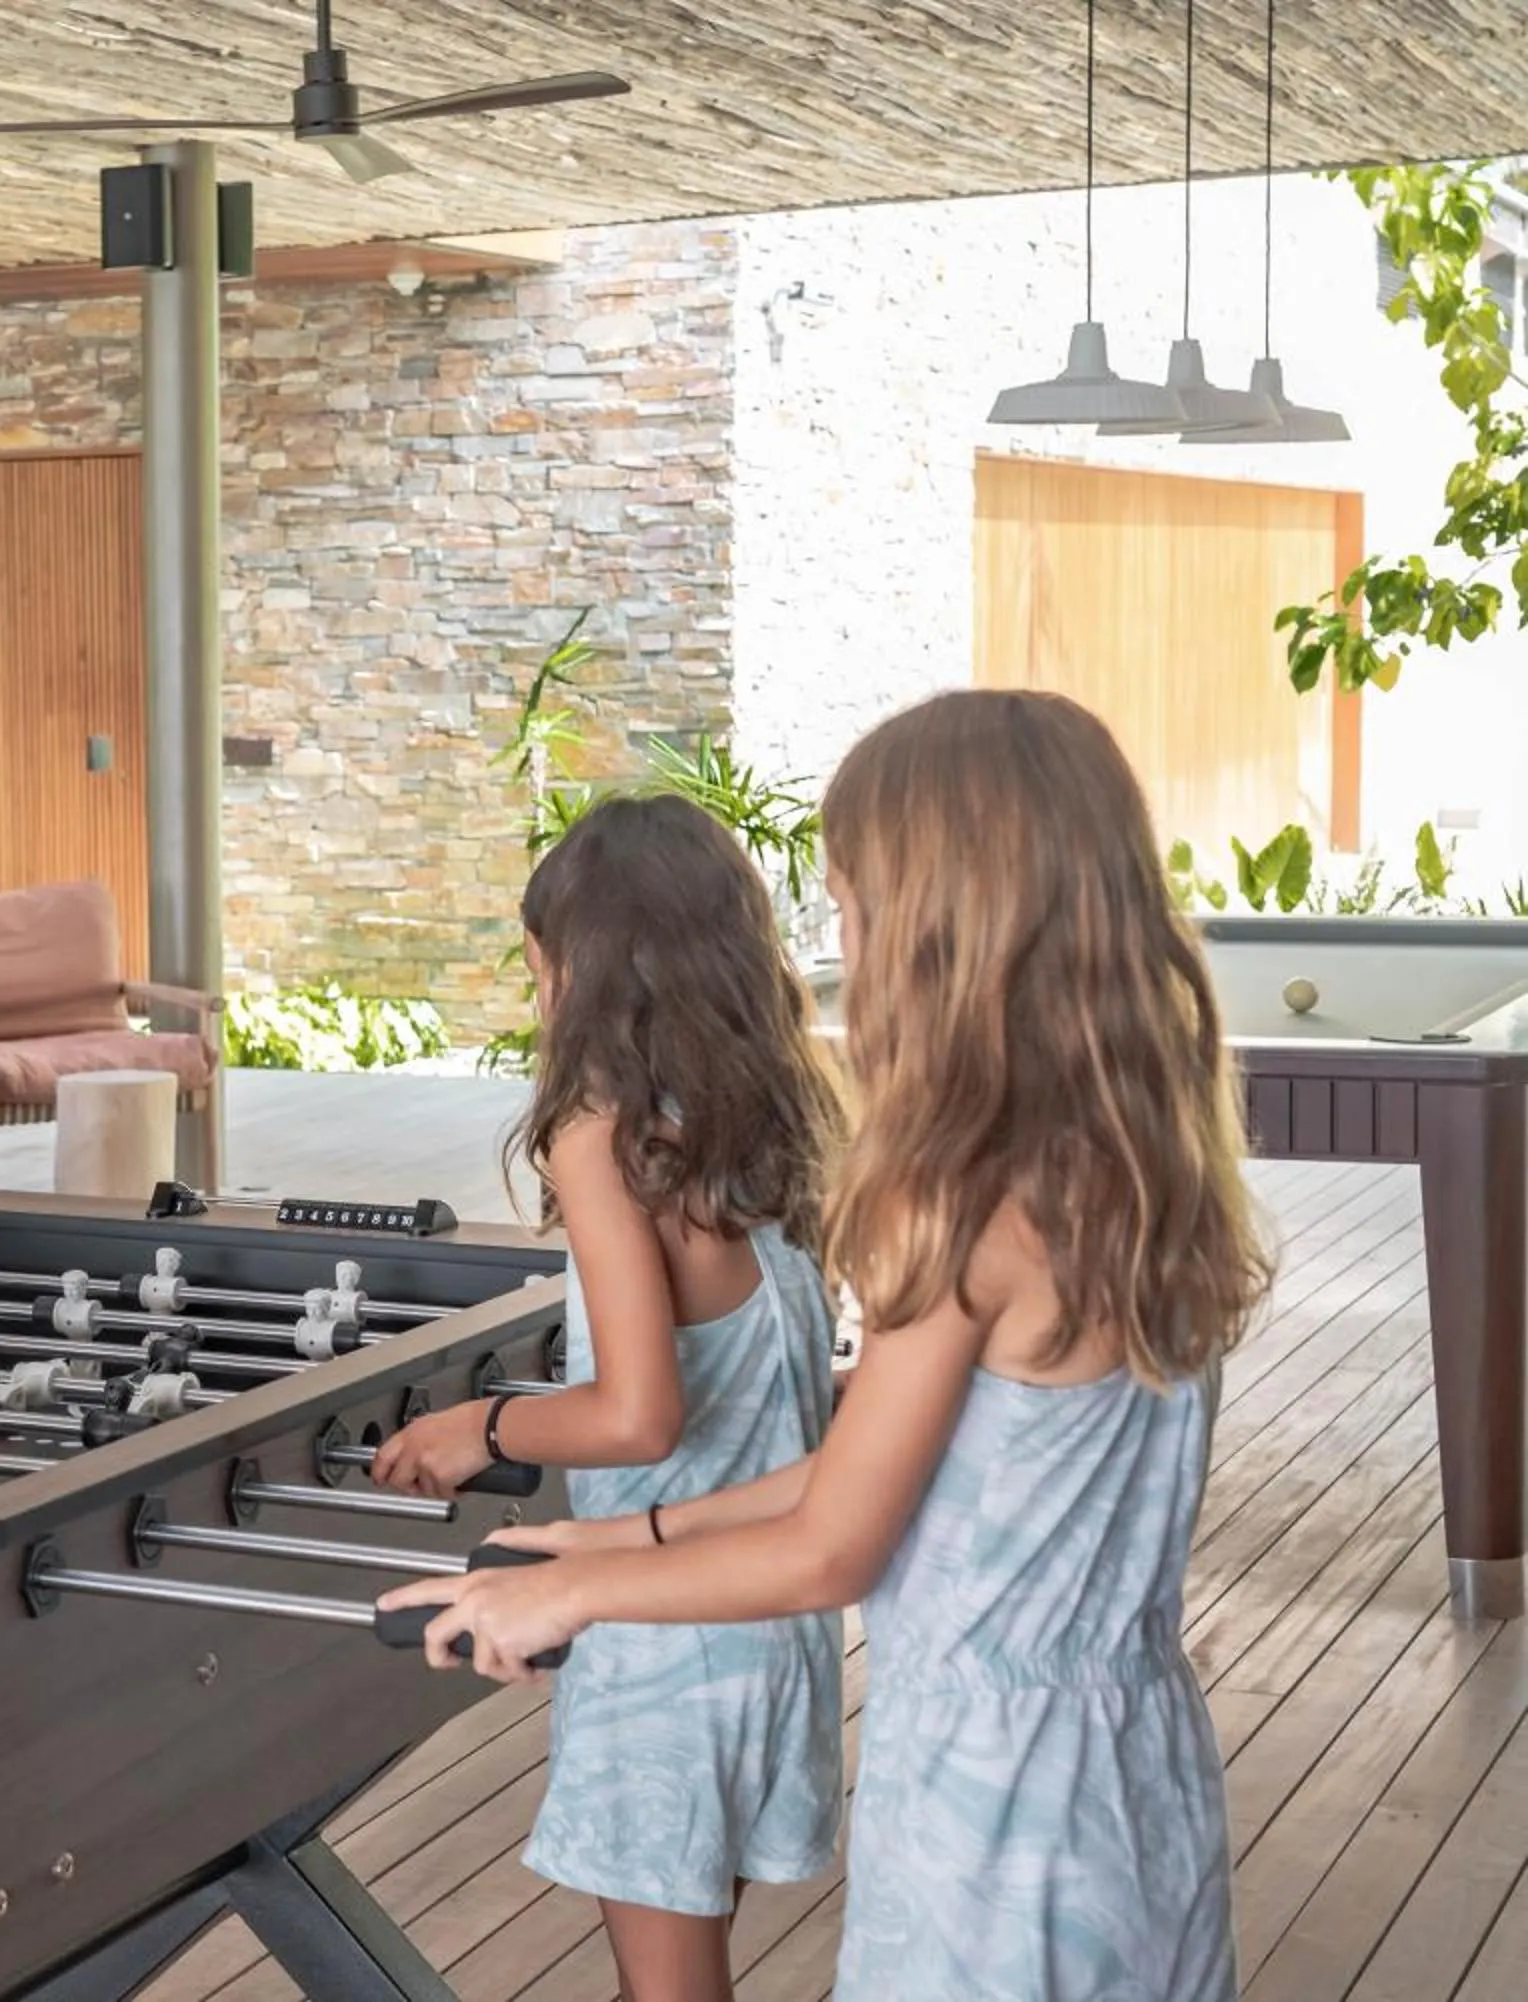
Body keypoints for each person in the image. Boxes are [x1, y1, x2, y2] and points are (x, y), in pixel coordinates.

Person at [381, 690, 1273, 2001]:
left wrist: (567, 1593)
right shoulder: (1139, 1169)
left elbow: (834, 1546)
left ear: (937, 925)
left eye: (852, 897)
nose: (839, 934)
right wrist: (613, 1537)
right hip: (1136, 1779)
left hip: (990, 1816)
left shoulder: (970, 1202)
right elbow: (879, 1461)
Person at [368, 793, 845, 2002]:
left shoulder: (602, 1135)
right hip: (770, 1629)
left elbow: (641, 1414)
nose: (539, 1000)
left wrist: (475, 1427)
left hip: (663, 1645)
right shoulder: (767, 1130)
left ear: (579, 969)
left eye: (540, 971)